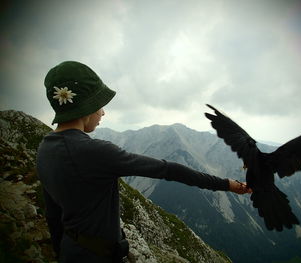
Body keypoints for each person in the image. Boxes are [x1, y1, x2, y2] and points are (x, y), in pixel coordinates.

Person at [36, 61, 252, 263]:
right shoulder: (97, 151)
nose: (103, 112)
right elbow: (167, 169)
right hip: (99, 256)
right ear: (87, 106)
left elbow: (53, 213)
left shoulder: (45, 148)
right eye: (100, 104)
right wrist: (227, 185)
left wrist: (60, 253)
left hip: (69, 250)